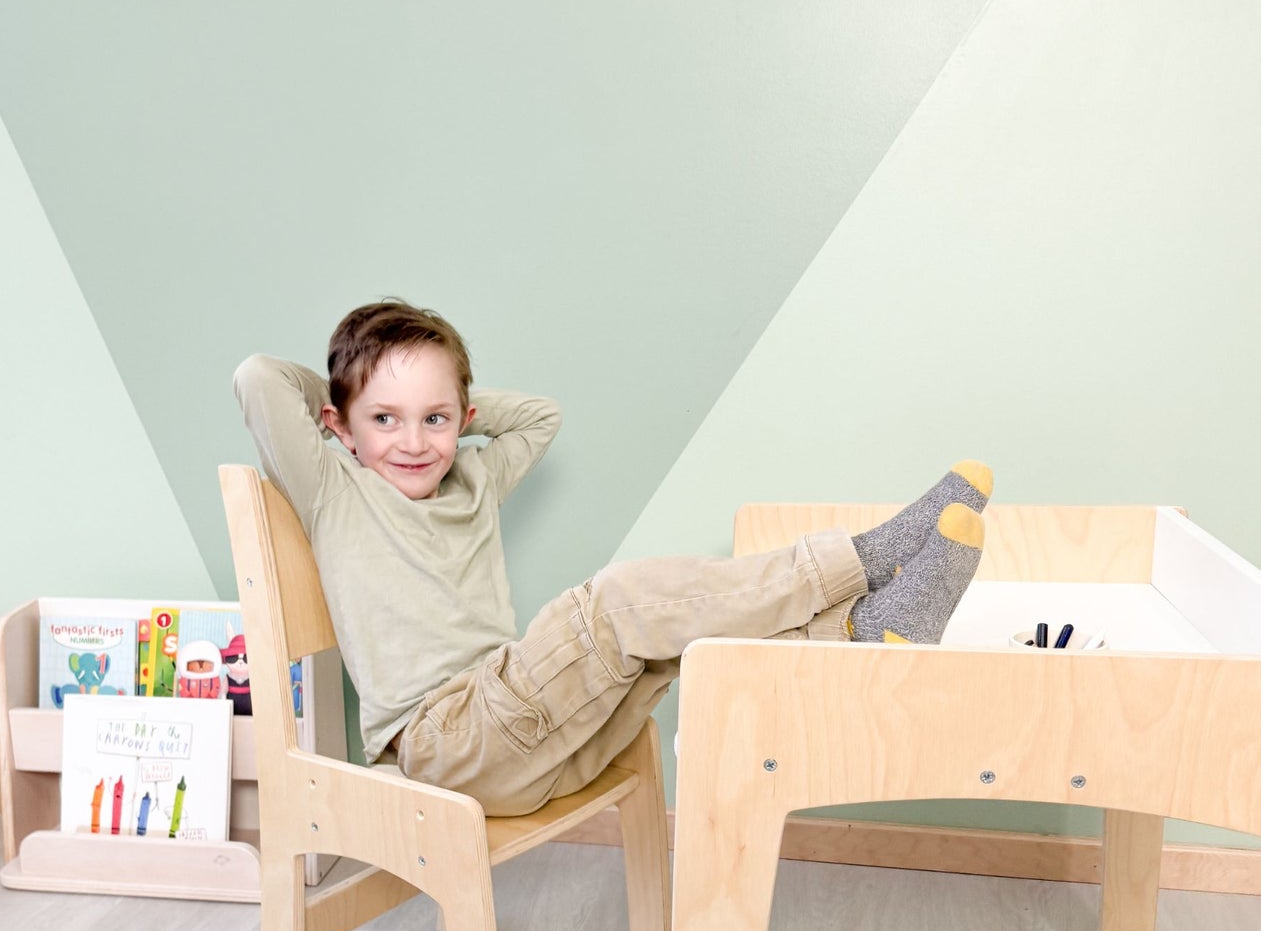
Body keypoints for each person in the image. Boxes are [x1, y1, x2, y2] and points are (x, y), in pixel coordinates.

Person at [234, 300, 990, 816]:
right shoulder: (338, 490)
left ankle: (865, 628)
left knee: (660, 648)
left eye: (434, 419)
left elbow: (539, 417)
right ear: (339, 425)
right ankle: (865, 557)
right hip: (445, 741)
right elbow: (258, 379)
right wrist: (347, 396)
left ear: (462, 420)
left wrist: (451, 400)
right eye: (384, 420)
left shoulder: (471, 477)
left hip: (538, 746)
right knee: (616, 603)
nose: (412, 441)